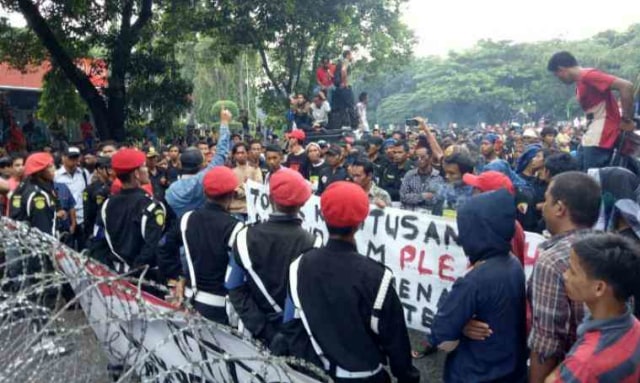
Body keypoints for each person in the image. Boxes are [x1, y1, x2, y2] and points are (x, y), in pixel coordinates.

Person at [275, 181, 420, 383]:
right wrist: (408, 377)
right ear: (361, 221)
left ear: (323, 216)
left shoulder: (299, 265)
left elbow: (290, 323)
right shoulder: (376, 275)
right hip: (365, 375)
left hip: (315, 373)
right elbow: (396, 341)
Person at [415, 189, 527, 382]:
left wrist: (458, 327)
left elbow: (441, 337)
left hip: (473, 373)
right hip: (509, 371)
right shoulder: (513, 263)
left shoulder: (473, 281)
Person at [226, 168, 318, 344]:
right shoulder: (314, 243)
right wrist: (287, 333)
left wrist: (265, 330)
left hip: (256, 334)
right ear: (302, 203)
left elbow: (235, 288)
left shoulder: (244, 237)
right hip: (298, 338)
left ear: (269, 199)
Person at [528, 171, 602, 383]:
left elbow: (546, 344)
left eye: (547, 201)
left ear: (560, 208)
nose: (543, 207)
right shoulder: (609, 248)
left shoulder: (553, 262)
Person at [545, 233, 640, 382]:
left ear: (599, 288)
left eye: (573, 271)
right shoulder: (634, 327)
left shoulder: (583, 366)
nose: (565, 275)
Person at [159, 166, 243, 323]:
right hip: (220, 307)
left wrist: (178, 276)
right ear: (232, 195)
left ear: (205, 193)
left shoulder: (186, 219)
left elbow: (164, 248)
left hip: (189, 299)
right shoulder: (236, 228)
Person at [547, 51, 635, 170]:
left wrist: (627, 119)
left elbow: (626, 86)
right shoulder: (581, 80)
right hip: (594, 134)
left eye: (557, 75)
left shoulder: (588, 75)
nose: (559, 79)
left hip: (602, 134)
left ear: (561, 69)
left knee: (593, 177)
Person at [92, 149, 166, 277]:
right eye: (143, 166)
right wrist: (134, 271)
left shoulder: (107, 204)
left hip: (116, 274)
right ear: (136, 174)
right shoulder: (152, 206)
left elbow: (97, 239)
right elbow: (152, 246)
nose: (147, 170)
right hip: (146, 276)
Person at [165, 109, 231, 218]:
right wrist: (224, 123)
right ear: (201, 165)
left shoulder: (171, 190)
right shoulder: (203, 180)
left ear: (181, 164)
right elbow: (221, 154)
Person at [9, 152, 57, 236]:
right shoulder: (38, 195)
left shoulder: (23, 186)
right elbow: (43, 233)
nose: (54, 168)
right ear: (39, 171)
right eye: (50, 166)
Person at [54, 146, 91, 250]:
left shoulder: (84, 173)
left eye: (76, 157)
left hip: (82, 216)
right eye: (71, 157)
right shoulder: (56, 175)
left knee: (83, 249)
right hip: (66, 219)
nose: (74, 161)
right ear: (63, 158)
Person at [400, 145, 445, 212]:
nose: (419, 160)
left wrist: (413, 197)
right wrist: (422, 196)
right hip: (410, 213)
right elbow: (403, 196)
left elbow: (438, 200)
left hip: (428, 216)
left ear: (430, 158)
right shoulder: (409, 174)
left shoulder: (438, 177)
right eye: (417, 158)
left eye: (422, 157)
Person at [435, 149, 475, 217]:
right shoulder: (443, 189)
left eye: (452, 173)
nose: (447, 176)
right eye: (446, 172)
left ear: (465, 173)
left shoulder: (475, 193)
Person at [229, 142, 263, 220]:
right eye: (238, 153)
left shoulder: (255, 169)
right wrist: (246, 185)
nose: (240, 155)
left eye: (242, 152)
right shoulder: (230, 172)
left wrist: (241, 189)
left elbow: (258, 188)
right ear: (234, 155)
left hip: (252, 210)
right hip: (235, 210)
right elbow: (232, 191)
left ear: (247, 153)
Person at [83, 156, 113, 240]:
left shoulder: (115, 186)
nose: (112, 171)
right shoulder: (90, 189)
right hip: (97, 230)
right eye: (109, 168)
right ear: (100, 169)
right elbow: (88, 214)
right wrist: (89, 233)